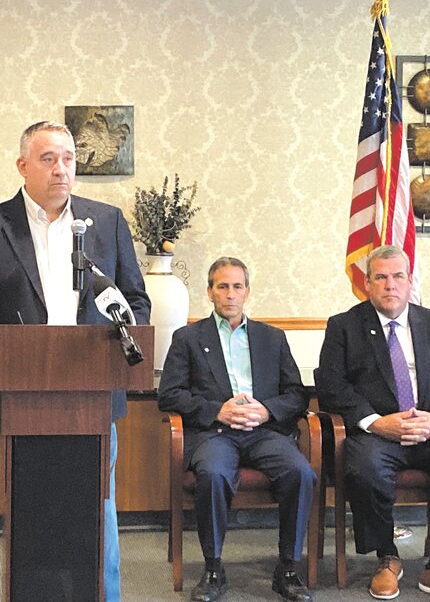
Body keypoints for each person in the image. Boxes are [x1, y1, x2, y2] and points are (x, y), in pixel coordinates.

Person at [0, 120, 150, 602]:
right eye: (49, 158)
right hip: (17, 398)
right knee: (30, 517)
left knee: (97, 514)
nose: (61, 169)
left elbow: (135, 297)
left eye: (69, 158)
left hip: (92, 399)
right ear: (23, 166)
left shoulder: (107, 222)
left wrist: (128, 331)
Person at [316, 244, 430, 602]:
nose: (390, 285)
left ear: (410, 282)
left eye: (398, 276)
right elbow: (332, 386)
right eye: (380, 277)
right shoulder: (344, 326)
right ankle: (386, 558)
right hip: (378, 434)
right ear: (367, 284)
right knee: (363, 470)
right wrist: (376, 422)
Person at [158, 256, 315, 602]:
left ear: (247, 292)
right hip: (215, 433)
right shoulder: (187, 338)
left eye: (237, 286)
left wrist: (265, 410)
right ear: (210, 292)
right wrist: (219, 411)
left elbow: (296, 394)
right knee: (213, 475)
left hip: (264, 432)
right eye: (222, 286)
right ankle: (213, 568)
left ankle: (287, 568)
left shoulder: (271, 338)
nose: (230, 294)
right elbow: (169, 395)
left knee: (300, 472)